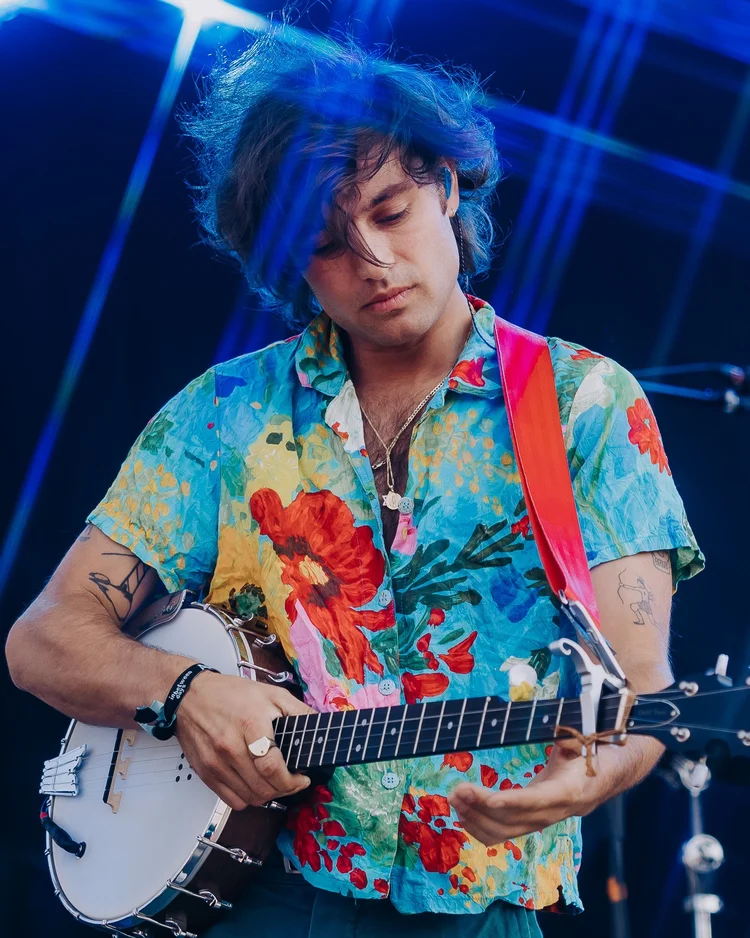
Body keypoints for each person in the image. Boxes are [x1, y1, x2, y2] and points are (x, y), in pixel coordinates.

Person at [6, 26, 703, 938]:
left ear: (445, 185)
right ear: (289, 263)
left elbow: (641, 696)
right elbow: (43, 641)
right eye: (326, 243)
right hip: (263, 897)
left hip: (481, 907)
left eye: (390, 210)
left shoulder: (585, 403)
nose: (372, 260)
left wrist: (578, 783)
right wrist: (185, 691)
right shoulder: (223, 415)